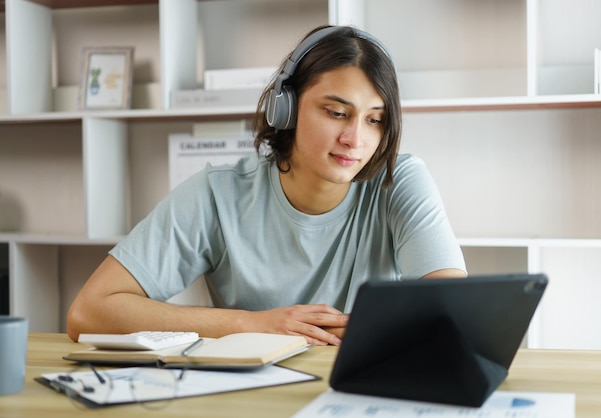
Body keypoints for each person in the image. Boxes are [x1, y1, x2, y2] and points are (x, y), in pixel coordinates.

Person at [66, 25, 466, 346]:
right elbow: (88, 313)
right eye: (337, 112)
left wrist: (373, 328)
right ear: (285, 108)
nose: (355, 139)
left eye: (374, 119)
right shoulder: (217, 194)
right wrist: (252, 324)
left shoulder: (400, 180)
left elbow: (453, 311)